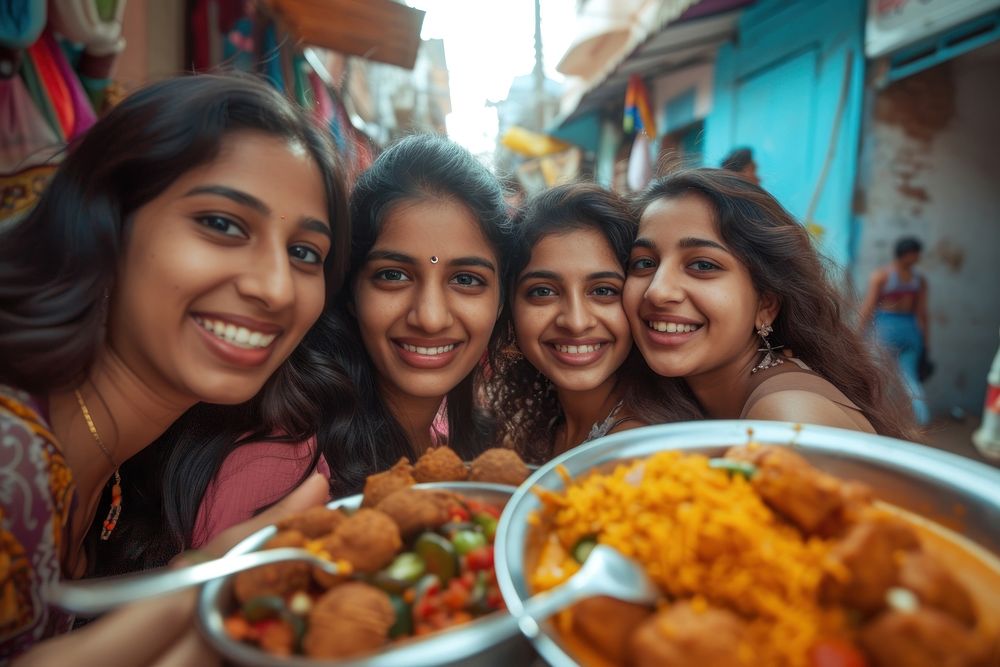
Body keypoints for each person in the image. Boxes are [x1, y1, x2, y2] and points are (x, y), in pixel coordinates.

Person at [0, 73, 350, 663]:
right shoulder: (11, 458)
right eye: (221, 224)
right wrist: (197, 592)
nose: (275, 288)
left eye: (304, 253)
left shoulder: (120, 467)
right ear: (107, 221)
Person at [189, 133, 513, 545]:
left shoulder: (457, 435)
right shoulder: (282, 466)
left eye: (466, 280)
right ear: (350, 291)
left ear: (501, 300)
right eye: (393, 275)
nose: (430, 318)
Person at [623, 168, 917, 440]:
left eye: (702, 265)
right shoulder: (695, 397)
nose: (658, 291)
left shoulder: (785, 418)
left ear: (766, 304)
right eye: (645, 263)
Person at [486, 183, 696, 463]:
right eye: (543, 291)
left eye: (603, 291)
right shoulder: (544, 421)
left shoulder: (641, 456)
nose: (576, 322)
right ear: (510, 309)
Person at [858, 236, 931, 425]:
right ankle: (920, 420)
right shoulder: (918, 280)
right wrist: (925, 342)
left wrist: (858, 334)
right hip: (907, 330)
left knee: (879, 377)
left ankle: (872, 420)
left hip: (887, 329)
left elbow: (868, 307)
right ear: (906, 254)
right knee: (909, 379)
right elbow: (922, 314)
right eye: (915, 253)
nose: (918, 258)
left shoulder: (882, 276)